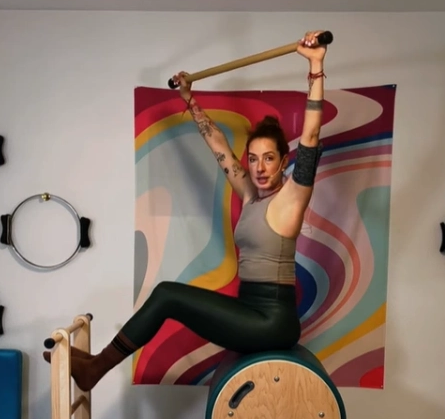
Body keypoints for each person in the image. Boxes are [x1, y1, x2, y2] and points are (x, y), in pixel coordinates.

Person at [44, 30, 328, 391]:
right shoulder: (251, 194)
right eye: (253, 158)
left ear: (283, 162)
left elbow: (312, 135)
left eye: (268, 159)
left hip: (272, 319)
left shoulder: (292, 198)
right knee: (169, 296)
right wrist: (189, 99)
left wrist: (316, 67)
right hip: (249, 311)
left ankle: (95, 369)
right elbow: (219, 146)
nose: (258, 167)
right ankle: (96, 363)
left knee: (166, 295)